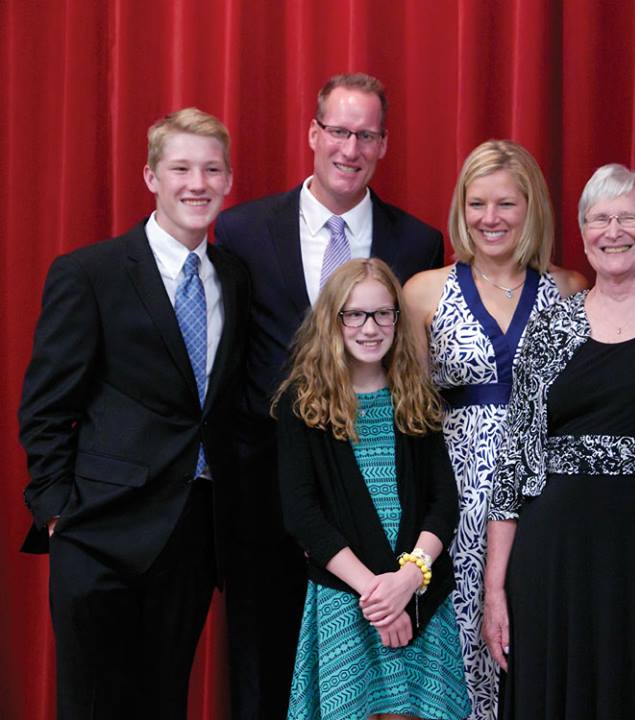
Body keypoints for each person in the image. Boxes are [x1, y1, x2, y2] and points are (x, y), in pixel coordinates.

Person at [214, 72, 445, 718]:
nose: (351, 148)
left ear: (384, 144)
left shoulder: (417, 243)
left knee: (373, 676)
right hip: (266, 489)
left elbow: (411, 369)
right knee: (263, 662)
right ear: (313, 133)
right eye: (339, 131)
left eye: (366, 135)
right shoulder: (242, 230)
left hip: (377, 496)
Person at [18, 108, 249, 719]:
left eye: (212, 170)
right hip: (99, 532)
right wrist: (58, 512)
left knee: (163, 702)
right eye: (181, 169)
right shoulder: (90, 273)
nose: (197, 184)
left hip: (193, 533)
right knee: (93, 706)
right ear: (151, 177)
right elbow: (46, 405)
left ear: (229, 180)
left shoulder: (234, 277)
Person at [486, 164, 635, 718]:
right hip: (554, 561)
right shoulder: (549, 326)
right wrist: (495, 589)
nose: (613, 231)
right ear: (583, 234)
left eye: (629, 217)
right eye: (599, 219)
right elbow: (513, 464)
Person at [403, 139, 586, 718]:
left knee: (539, 634)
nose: (490, 218)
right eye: (477, 203)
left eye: (506, 203)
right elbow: (410, 415)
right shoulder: (424, 291)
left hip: (544, 493)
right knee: (461, 642)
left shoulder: (570, 289)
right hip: (456, 496)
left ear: (532, 208)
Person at [275, 258, 470, 720]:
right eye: (356, 314)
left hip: (418, 593)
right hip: (346, 594)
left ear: (397, 320)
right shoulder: (302, 403)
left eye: (383, 314)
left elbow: (444, 502)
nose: (370, 327)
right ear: (333, 320)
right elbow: (302, 514)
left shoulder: (415, 396)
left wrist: (409, 579)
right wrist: (379, 597)